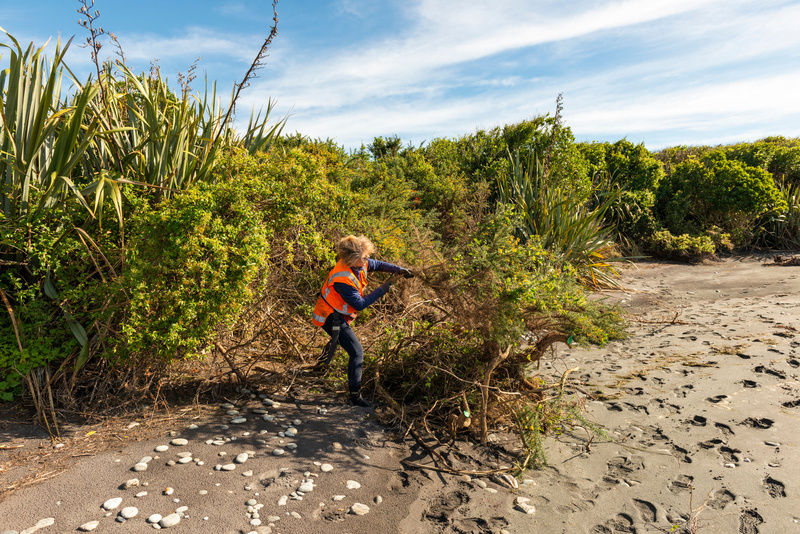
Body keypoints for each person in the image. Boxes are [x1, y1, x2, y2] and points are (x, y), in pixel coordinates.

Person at [312, 235, 413, 407]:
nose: (368, 259)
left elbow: (377, 264)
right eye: (365, 257)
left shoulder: (359, 263)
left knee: (340, 341)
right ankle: (355, 397)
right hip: (330, 315)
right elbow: (359, 304)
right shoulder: (343, 278)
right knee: (357, 352)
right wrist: (382, 289)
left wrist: (399, 270)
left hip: (337, 312)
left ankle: (319, 368)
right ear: (353, 258)